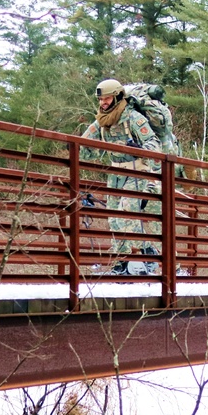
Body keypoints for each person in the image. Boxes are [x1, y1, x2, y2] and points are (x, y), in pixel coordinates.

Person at [81, 78, 162, 275]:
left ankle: (140, 259)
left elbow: (154, 144)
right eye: (101, 100)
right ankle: (124, 261)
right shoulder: (101, 120)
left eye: (107, 99)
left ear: (117, 97)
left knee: (128, 214)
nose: (103, 103)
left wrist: (140, 149)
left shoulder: (133, 117)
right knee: (114, 219)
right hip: (115, 174)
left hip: (136, 172)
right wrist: (73, 147)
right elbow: (83, 144)